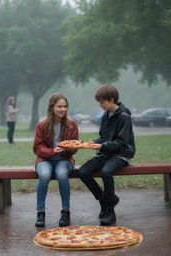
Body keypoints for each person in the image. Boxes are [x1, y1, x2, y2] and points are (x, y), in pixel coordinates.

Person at [78, 85, 135, 226]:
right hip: (107, 152)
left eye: (102, 102)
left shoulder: (124, 116)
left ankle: (110, 211)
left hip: (122, 153)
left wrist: (102, 146)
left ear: (111, 100)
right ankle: (105, 200)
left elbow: (122, 142)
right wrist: (92, 142)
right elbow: (103, 137)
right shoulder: (105, 115)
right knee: (82, 172)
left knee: (106, 172)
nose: (100, 105)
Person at [33, 93, 79, 227]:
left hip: (64, 159)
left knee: (62, 175)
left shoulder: (71, 125)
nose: (63, 109)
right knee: (45, 175)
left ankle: (65, 212)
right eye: (59, 106)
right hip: (45, 159)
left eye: (65, 106)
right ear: (52, 107)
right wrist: (52, 151)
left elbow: (75, 146)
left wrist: (70, 148)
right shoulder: (42, 125)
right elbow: (37, 147)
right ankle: (40, 213)